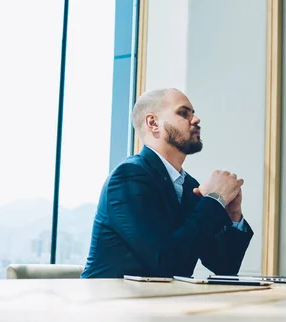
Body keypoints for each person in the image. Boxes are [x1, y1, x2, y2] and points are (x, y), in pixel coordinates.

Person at [81, 88, 253, 279]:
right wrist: (215, 200)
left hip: (163, 303)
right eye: (183, 113)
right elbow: (166, 261)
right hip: (111, 304)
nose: (196, 120)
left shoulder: (189, 185)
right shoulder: (129, 177)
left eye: (193, 113)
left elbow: (224, 266)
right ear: (153, 123)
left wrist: (233, 216)